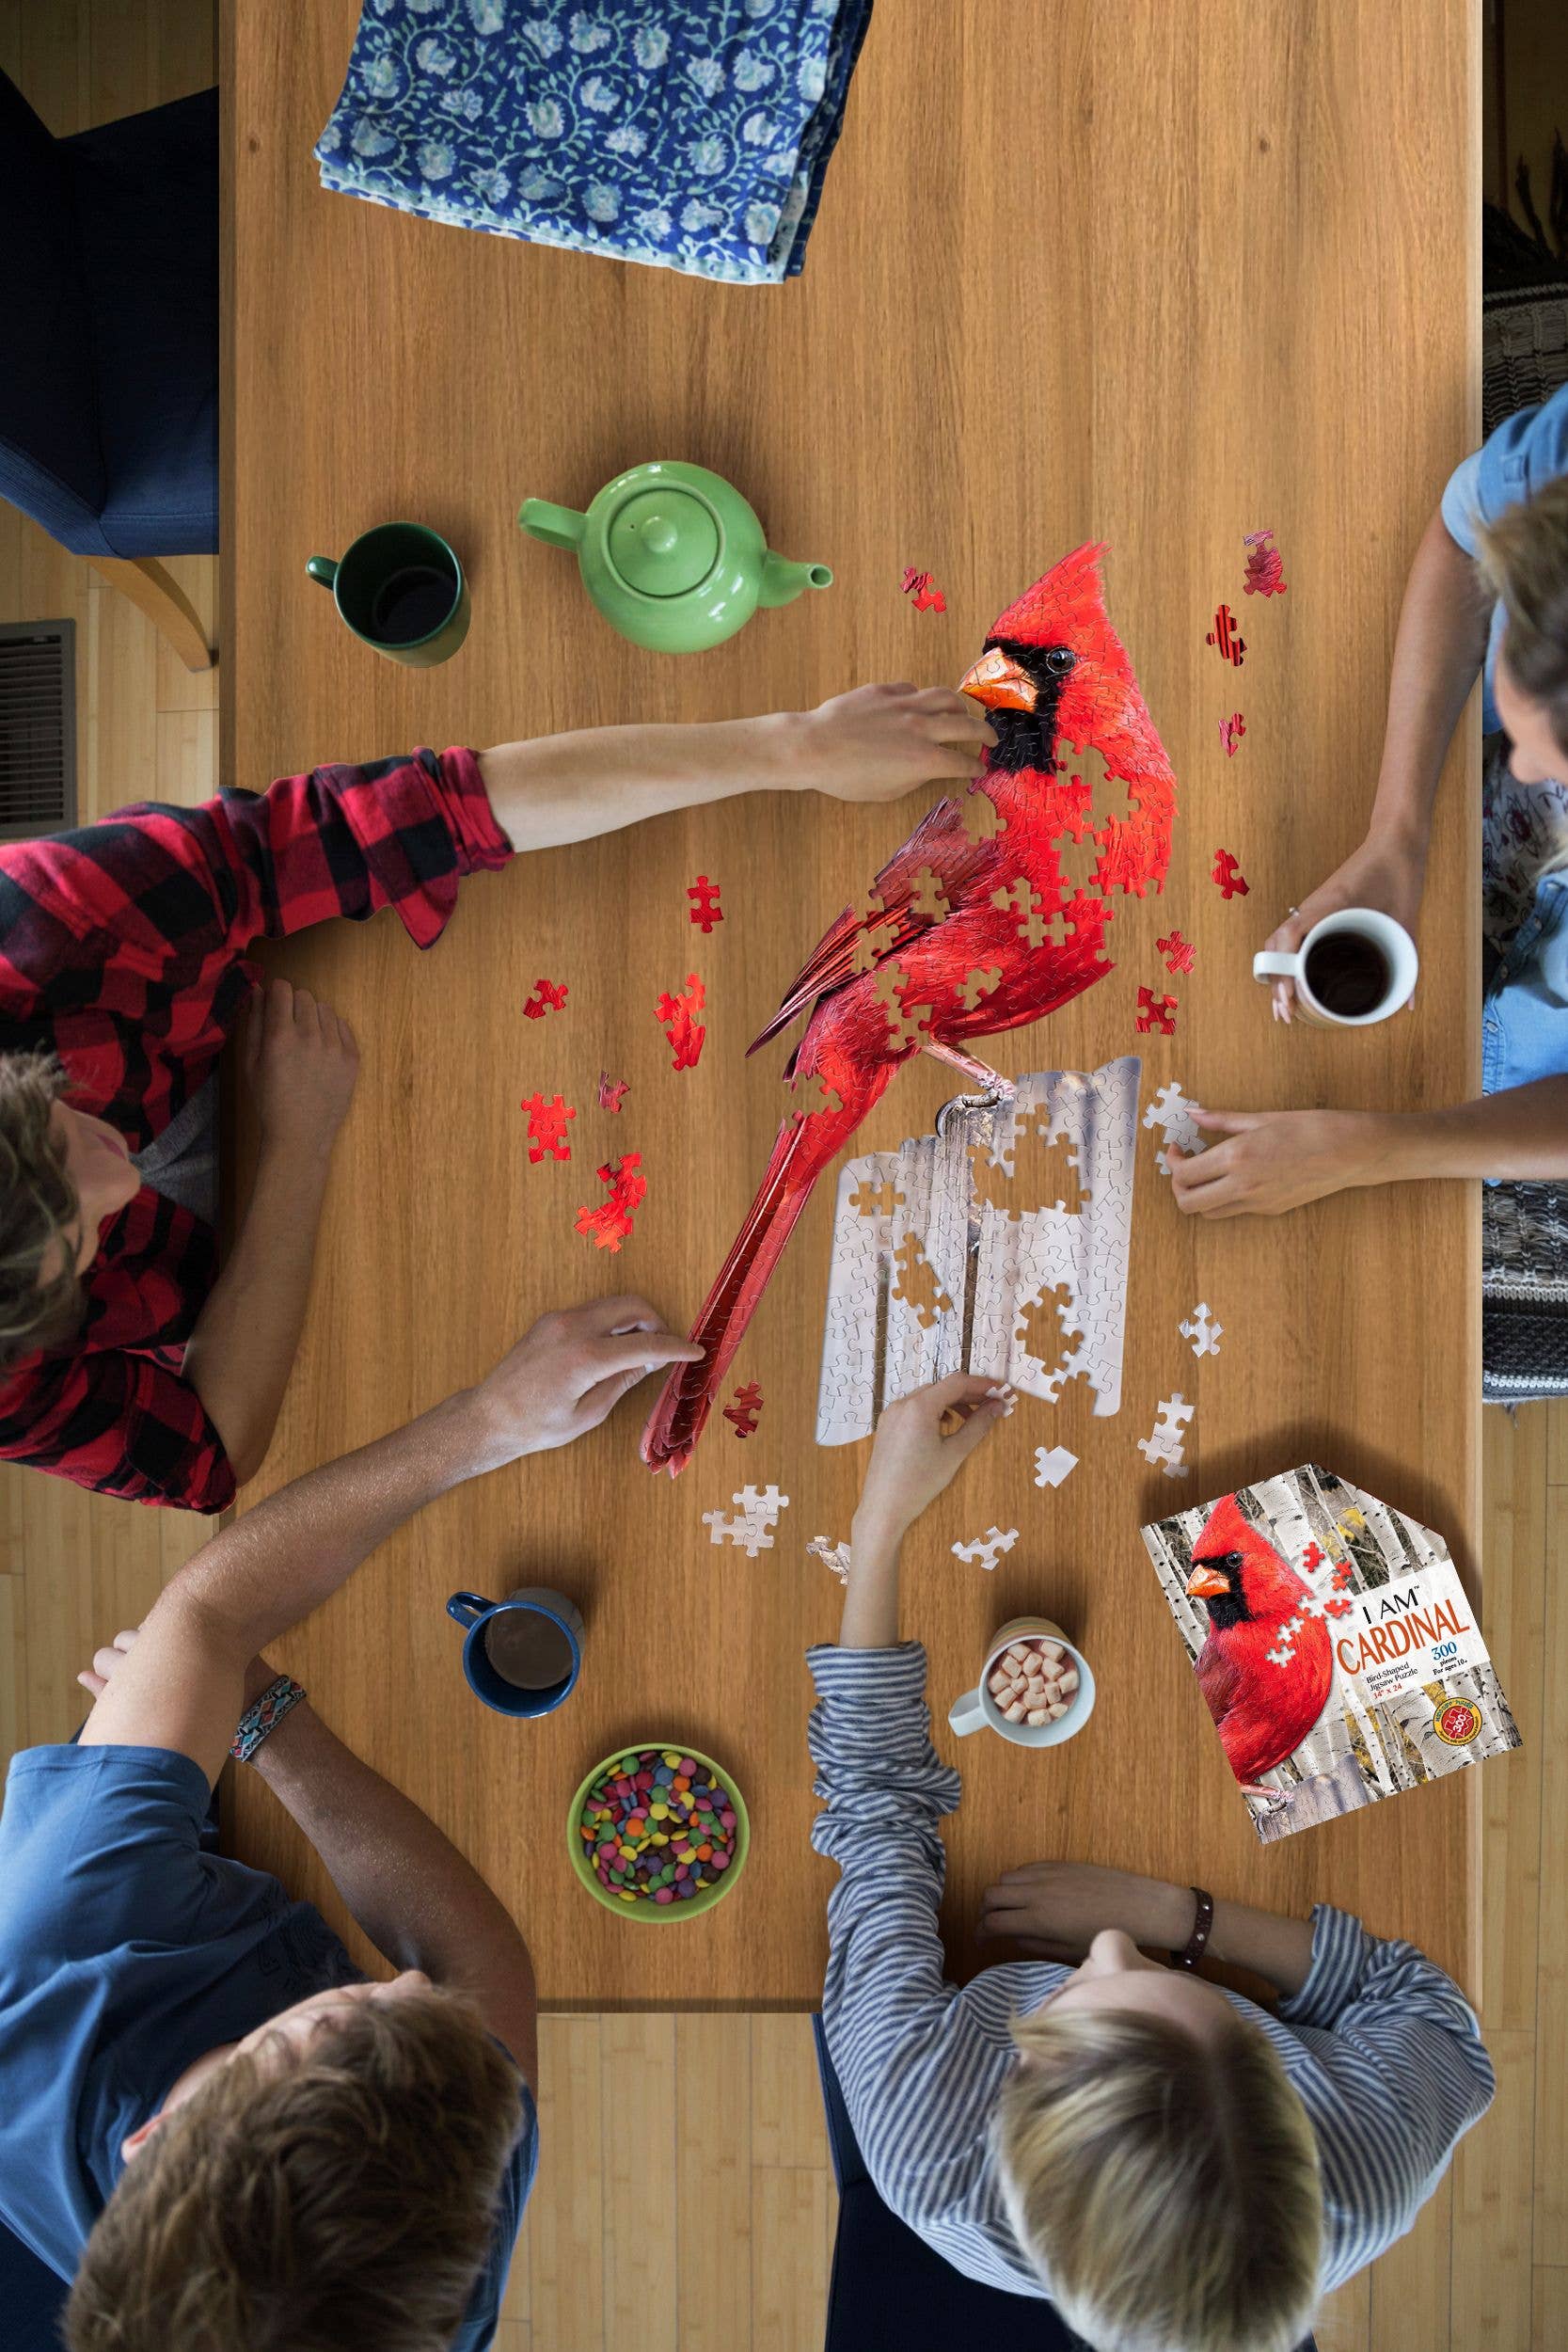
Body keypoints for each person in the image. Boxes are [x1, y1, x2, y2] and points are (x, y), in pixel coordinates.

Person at [0, 682, 994, 1505]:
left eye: (63, 1132)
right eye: (81, 1248)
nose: (119, 1182)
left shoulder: (40, 928)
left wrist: (795, 745)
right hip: (313, 1240)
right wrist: (298, 1145)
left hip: (318, 1003)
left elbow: (415, 818)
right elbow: (208, 1453)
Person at [0, 1293, 702, 2352]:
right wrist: (264, 1723)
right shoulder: (415, 2254)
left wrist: (487, 1422)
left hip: (118, 1910)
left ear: (155, 2136)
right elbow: (477, 1964)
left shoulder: (59, 1938)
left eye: (345, 2020)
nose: (412, 1982)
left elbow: (209, 1613)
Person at [808, 1372, 1495, 2352]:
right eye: (1217, 2011)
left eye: (1069, 1996)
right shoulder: (1360, 2168)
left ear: (1009, 2109)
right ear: (1288, 2091)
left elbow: (873, 1817)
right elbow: (1435, 2020)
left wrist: (878, 1523)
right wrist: (1186, 1922)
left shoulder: (928, 2136)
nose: (1106, 1942)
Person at [1170, 382, 1568, 1220]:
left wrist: (1380, 1149)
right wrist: (1397, 834)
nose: (1526, 771)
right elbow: (1466, 546)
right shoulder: (1555, 469)